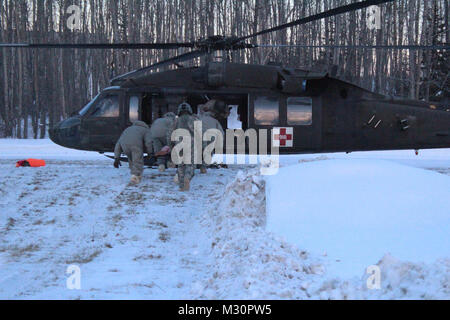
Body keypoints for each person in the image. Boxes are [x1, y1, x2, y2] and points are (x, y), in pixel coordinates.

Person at [168, 102, 200, 191]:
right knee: (190, 164)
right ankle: (187, 177)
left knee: (181, 165)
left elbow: (170, 134)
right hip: (191, 144)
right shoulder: (195, 120)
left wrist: (171, 146)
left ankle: (182, 186)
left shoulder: (176, 121)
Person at [199, 102, 224, 174]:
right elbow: (221, 132)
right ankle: (204, 166)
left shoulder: (200, 119)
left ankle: (199, 165)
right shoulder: (215, 121)